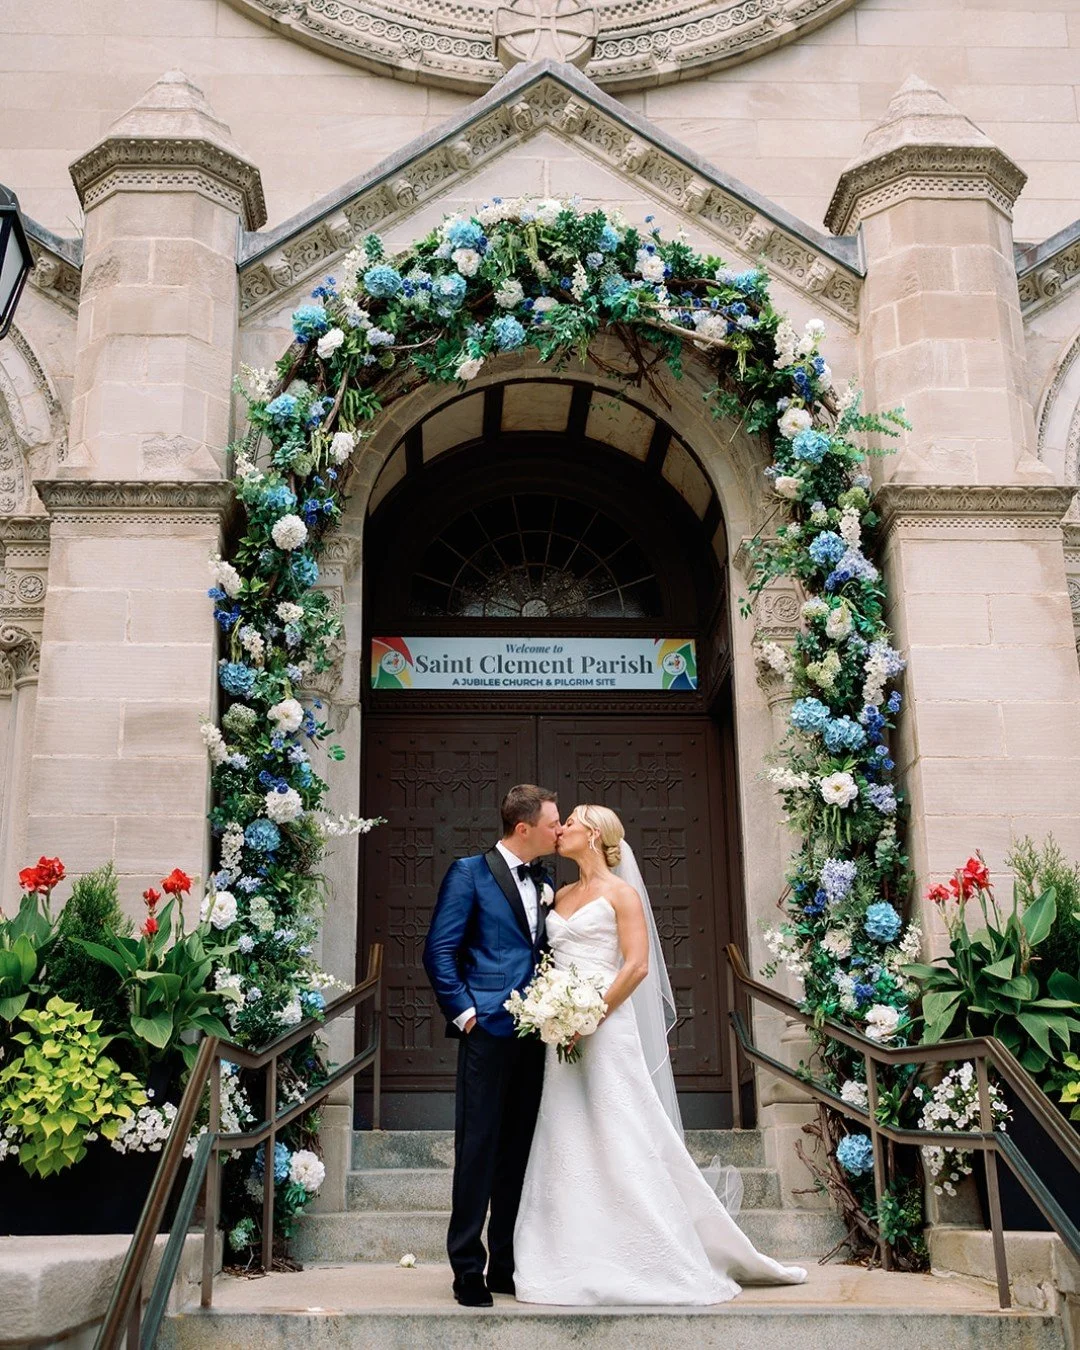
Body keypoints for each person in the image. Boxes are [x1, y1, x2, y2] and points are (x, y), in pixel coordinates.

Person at [512, 803, 808, 1305]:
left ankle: (654, 1251)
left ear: (594, 834)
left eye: (571, 823)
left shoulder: (621, 894)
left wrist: (589, 1017)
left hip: (605, 1027)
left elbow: (636, 967)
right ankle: (567, 1252)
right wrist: (556, 1014)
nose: (561, 830)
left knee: (621, 1128)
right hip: (563, 1033)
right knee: (566, 1131)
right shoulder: (558, 895)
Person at [422, 783, 561, 1307]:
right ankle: (466, 1269)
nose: (560, 829)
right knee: (477, 1150)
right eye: (553, 822)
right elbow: (439, 951)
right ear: (524, 828)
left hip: (534, 1033)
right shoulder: (468, 873)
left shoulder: (546, 880)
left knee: (516, 1152)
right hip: (486, 1031)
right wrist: (467, 1015)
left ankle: (505, 1264)